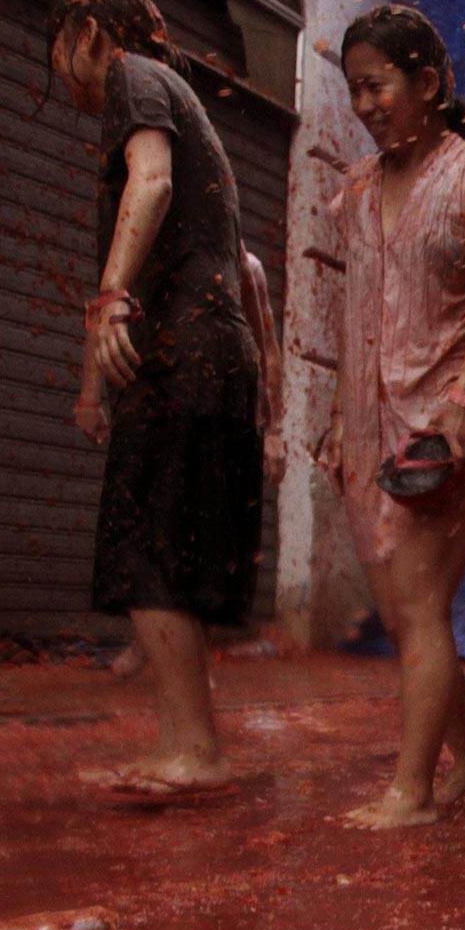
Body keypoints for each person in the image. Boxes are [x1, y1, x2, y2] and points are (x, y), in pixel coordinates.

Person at [56, 0, 263, 801]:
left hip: (188, 349)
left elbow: (152, 184)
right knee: (165, 549)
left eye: (59, 50)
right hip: (202, 351)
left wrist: (110, 297)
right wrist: (89, 384)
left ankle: (191, 749)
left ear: (87, 30)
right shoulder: (172, 91)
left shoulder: (134, 76)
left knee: (148, 553)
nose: (63, 74)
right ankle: (187, 738)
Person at [315, 5, 465, 830]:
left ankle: (413, 791)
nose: (365, 105)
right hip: (367, 429)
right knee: (404, 614)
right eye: (354, 90)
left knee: (423, 610)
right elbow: (350, 309)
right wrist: (336, 419)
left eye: (378, 86)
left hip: (442, 420)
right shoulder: (357, 189)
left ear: (427, 84)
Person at [108, 247, 286, 684]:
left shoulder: (247, 268)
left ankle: (193, 655)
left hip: (224, 413)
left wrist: (275, 429)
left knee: (207, 535)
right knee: (152, 526)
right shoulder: (151, 254)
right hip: (164, 404)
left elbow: (268, 349)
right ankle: (145, 641)